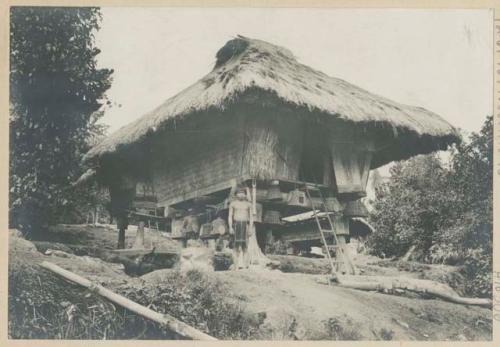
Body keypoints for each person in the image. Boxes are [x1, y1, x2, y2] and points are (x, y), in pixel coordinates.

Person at [228, 186, 253, 269]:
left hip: (245, 225)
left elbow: (251, 217)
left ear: (245, 195)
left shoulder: (248, 204)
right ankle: (236, 266)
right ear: (236, 194)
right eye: (239, 193)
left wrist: (250, 228)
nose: (241, 195)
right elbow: (230, 216)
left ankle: (246, 266)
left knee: (245, 247)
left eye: (243, 193)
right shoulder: (233, 204)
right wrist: (230, 227)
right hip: (236, 225)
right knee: (235, 247)